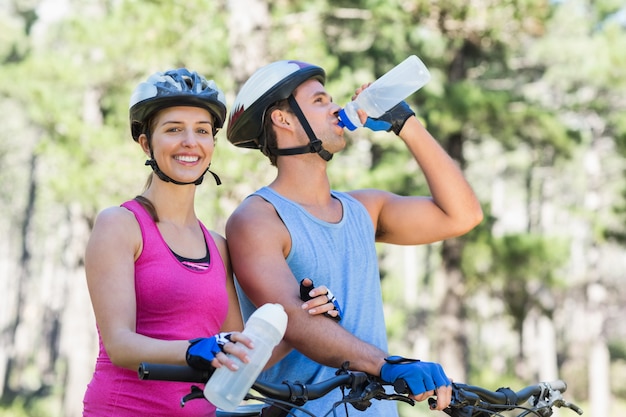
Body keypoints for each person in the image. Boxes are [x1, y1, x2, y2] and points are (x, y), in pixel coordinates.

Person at [225, 60, 484, 416]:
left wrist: (405, 124)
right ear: (283, 119)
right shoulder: (258, 219)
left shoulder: (366, 209)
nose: (335, 107)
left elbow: (463, 215)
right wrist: (388, 365)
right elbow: (296, 323)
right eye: (319, 101)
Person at [81, 68, 336, 417]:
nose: (190, 142)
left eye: (202, 131)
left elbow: (241, 356)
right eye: (174, 130)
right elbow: (120, 345)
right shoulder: (121, 225)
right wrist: (194, 349)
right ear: (146, 143)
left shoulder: (217, 245)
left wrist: (305, 316)